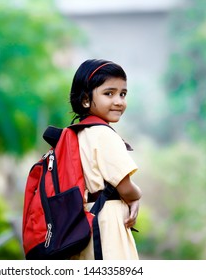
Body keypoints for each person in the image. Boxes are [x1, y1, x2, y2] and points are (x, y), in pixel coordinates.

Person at [69, 59, 142, 260]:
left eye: (123, 94)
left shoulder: (79, 133)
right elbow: (125, 187)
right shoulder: (104, 134)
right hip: (106, 226)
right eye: (109, 93)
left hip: (85, 222)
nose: (119, 101)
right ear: (85, 99)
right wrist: (137, 196)